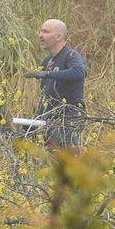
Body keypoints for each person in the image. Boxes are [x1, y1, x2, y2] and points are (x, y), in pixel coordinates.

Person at [32, 19, 87, 148]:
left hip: (69, 116)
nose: (40, 35)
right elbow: (47, 94)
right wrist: (36, 121)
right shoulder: (47, 61)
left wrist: (47, 74)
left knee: (67, 160)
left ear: (59, 36)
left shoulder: (71, 55)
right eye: (41, 31)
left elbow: (79, 73)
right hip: (51, 117)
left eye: (45, 31)